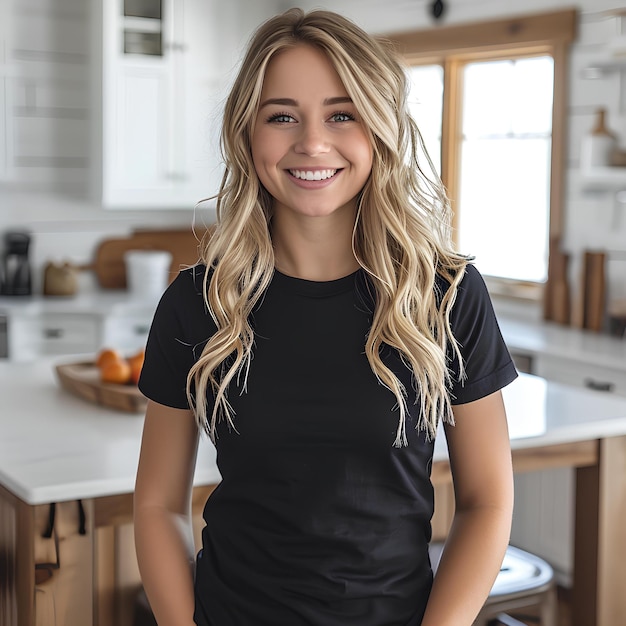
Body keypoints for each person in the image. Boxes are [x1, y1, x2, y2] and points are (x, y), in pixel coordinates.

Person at [134, 7, 517, 626]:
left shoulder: (445, 296)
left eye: (342, 115)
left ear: (380, 129)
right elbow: (157, 505)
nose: (311, 143)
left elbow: (487, 501)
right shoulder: (196, 304)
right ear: (247, 134)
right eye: (281, 116)